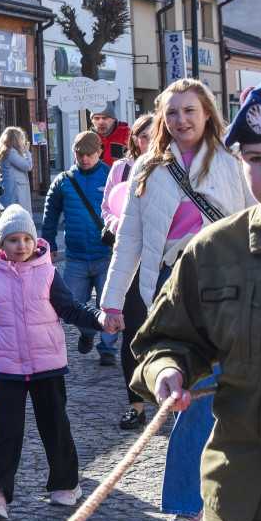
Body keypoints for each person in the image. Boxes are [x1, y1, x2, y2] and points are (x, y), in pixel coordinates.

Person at [100, 78, 255, 521]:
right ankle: (189, 507)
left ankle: (220, 496)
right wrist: (111, 302)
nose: (181, 119)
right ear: (163, 120)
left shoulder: (233, 160)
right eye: (172, 113)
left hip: (229, 283)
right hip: (172, 285)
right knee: (190, 393)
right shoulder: (146, 170)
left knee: (227, 392)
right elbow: (128, 239)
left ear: (207, 113)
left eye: (190, 110)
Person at [0, 205, 109, 520]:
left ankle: (67, 484)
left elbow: (71, 308)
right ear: (1, 245)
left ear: (35, 242)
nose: (20, 246)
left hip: (48, 367)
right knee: (6, 431)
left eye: (25, 239)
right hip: (7, 369)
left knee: (55, 425)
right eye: (12, 240)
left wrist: (99, 319)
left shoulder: (49, 274)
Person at [41, 131, 117, 365]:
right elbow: (50, 213)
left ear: (99, 153)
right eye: (79, 154)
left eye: (88, 154)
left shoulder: (110, 177)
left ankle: (108, 349)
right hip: (75, 257)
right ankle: (87, 331)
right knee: (74, 304)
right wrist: (49, 242)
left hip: (106, 255)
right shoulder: (64, 180)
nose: (83, 158)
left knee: (108, 304)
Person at [99, 113, 155, 429]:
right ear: (133, 139)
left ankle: (173, 402)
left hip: (164, 261)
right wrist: (119, 224)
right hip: (130, 260)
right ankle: (136, 404)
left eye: (152, 135)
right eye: (141, 136)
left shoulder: (171, 167)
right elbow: (108, 207)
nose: (146, 141)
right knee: (132, 334)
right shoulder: (121, 170)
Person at [0, 126, 33, 212]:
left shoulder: (5, 152)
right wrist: (27, 152)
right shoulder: (11, 153)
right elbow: (27, 166)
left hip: (9, 191)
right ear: (15, 140)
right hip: (16, 193)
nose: (23, 142)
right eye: (21, 139)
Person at [91, 101, 131, 168]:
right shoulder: (88, 137)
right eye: (96, 118)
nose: (100, 122)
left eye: (104, 118)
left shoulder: (128, 134)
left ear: (114, 119)